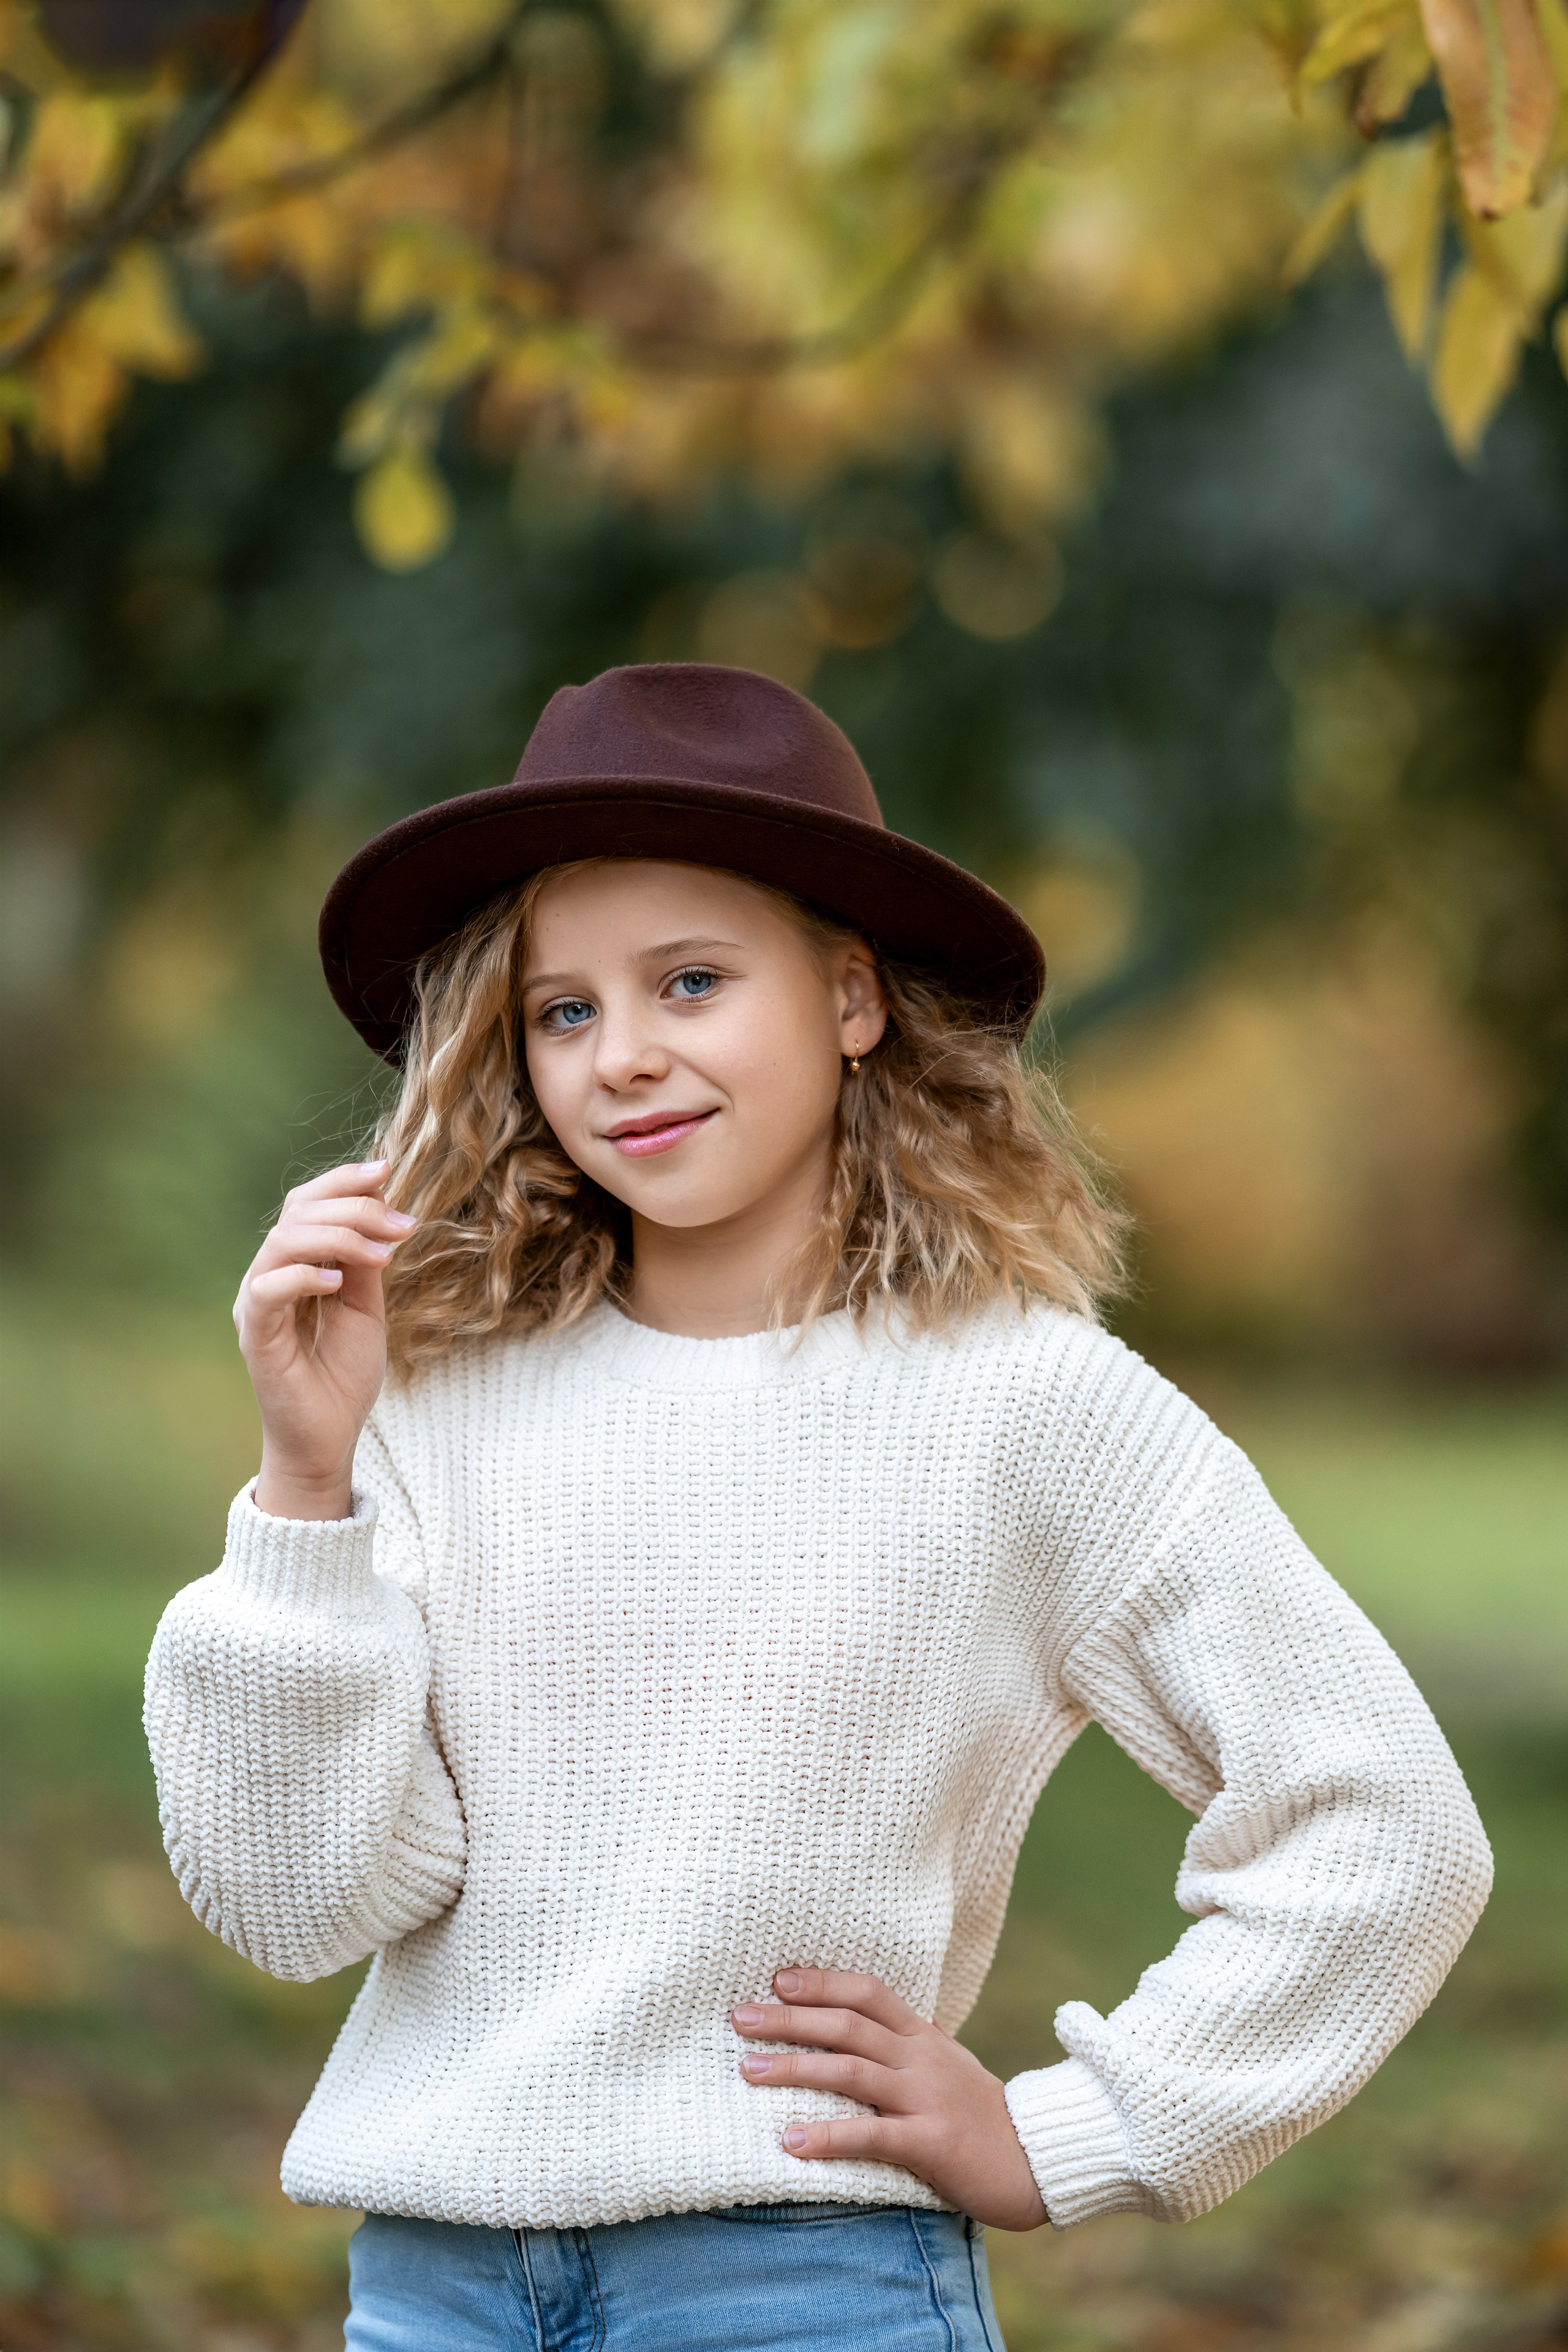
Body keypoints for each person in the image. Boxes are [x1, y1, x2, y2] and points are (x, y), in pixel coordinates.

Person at [144, 663, 1491, 2352]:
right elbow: (302, 1904)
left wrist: (1076, 2130)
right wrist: (303, 1485)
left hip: (804, 2290)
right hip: (432, 2289)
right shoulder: (431, 1398)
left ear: (852, 998)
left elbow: (1384, 1826)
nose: (623, 1057)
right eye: (563, 1013)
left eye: (691, 983)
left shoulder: (1022, 1406)